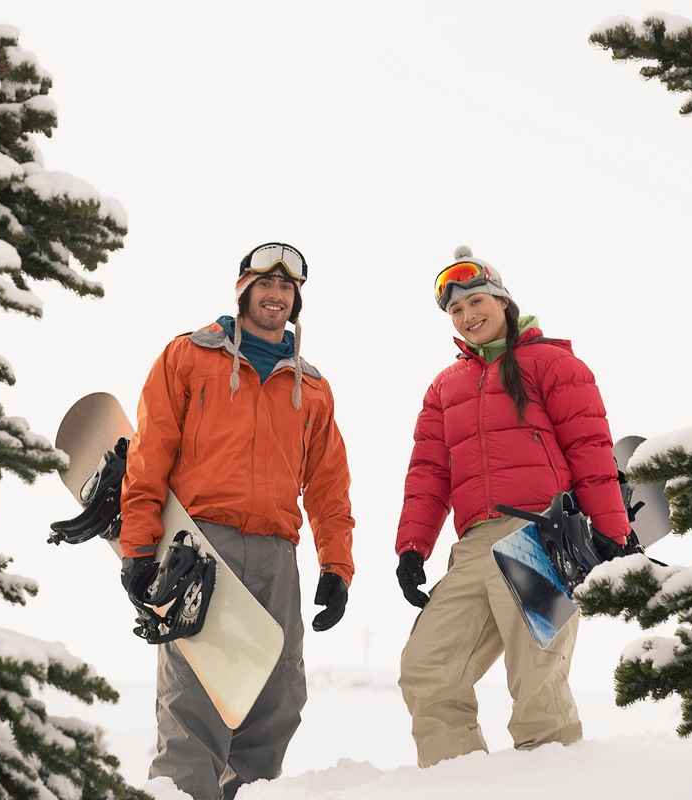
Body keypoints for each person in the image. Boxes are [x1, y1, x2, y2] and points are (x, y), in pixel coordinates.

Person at [119, 242, 355, 800]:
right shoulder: (188, 356)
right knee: (194, 699)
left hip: (277, 553)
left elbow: (328, 485)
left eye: (287, 289)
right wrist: (137, 545)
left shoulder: (313, 387)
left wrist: (337, 565)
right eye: (265, 285)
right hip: (201, 545)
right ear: (243, 289)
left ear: (295, 301)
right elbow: (149, 453)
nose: (276, 296)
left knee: (278, 697)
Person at [394, 245, 630, 768]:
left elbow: (590, 448)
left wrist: (611, 527)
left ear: (502, 300)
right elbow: (429, 473)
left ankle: (550, 785)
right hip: (474, 543)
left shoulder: (552, 363)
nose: (468, 315)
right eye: (455, 310)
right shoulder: (444, 387)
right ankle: (458, 781)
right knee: (428, 668)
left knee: (537, 682)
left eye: (476, 300)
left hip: (540, 536)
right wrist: (413, 547)